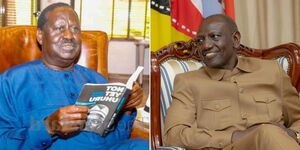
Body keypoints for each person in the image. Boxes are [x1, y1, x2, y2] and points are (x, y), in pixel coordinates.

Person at [0, 3, 148, 150]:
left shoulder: (97, 79)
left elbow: (116, 139)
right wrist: (48, 127)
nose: (69, 36)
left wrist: (126, 109)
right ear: (40, 35)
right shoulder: (11, 81)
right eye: (60, 28)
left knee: (143, 146)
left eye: (75, 29)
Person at [163, 14, 300, 150]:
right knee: (268, 132)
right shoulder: (188, 82)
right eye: (200, 40)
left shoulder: (271, 71)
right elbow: (174, 136)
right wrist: (234, 136)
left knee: (270, 133)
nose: (205, 46)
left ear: (235, 39)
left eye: (214, 36)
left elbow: (297, 118)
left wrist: (293, 133)